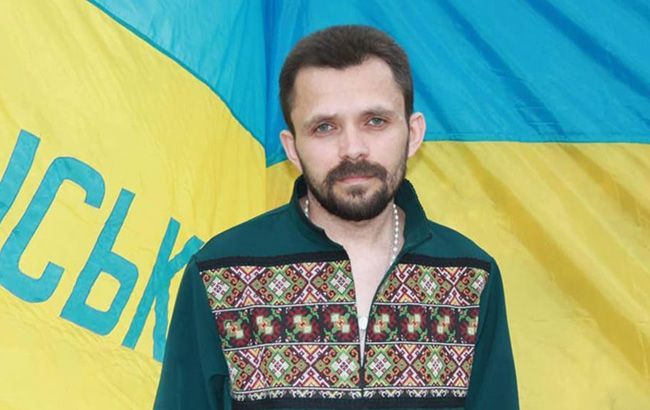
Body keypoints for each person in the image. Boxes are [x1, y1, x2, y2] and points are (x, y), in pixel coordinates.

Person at [154, 25, 518, 410]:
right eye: (324, 127)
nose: (353, 149)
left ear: (413, 133)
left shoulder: (470, 277)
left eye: (375, 121)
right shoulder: (220, 273)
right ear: (292, 148)